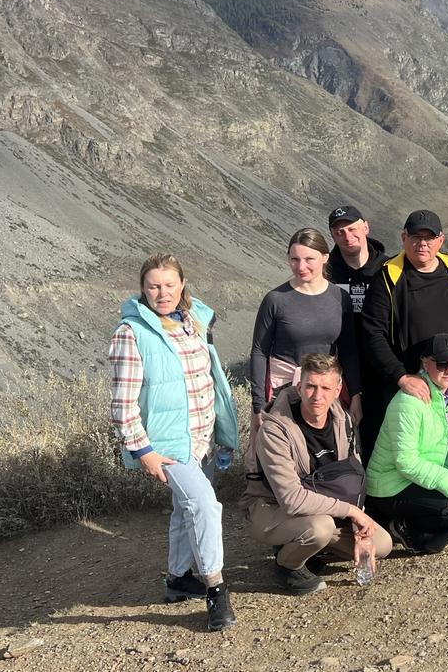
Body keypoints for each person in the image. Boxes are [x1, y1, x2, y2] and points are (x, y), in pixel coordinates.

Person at [108, 253, 239, 631]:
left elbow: (210, 380)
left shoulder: (192, 322)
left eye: (168, 285)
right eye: (153, 286)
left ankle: (180, 578)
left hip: (201, 437)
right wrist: (144, 451)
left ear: (182, 285)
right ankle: (215, 590)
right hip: (166, 446)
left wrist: (223, 434)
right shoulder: (131, 334)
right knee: (204, 506)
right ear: (142, 288)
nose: (161, 293)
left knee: (185, 509)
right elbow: (122, 403)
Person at [246, 354, 393, 595]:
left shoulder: (342, 418)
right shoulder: (275, 430)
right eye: (311, 386)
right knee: (320, 528)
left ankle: (311, 549)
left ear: (338, 390)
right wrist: (351, 511)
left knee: (381, 544)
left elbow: (353, 479)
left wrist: (359, 527)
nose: (317, 396)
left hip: (322, 502)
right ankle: (287, 564)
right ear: (299, 386)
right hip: (271, 507)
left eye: (325, 388)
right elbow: (291, 499)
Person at [360, 209, 448, 462]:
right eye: (416, 237)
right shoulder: (387, 277)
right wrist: (401, 377)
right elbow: (372, 333)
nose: (422, 244)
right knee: (407, 454)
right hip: (407, 386)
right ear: (403, 238)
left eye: (429, 238)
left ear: (441, 240)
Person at [365, 334, 448, 554]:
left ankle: (435, 523)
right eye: (442, 363)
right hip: (392, 484)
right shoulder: (409, 402)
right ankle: (402, 528)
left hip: (425, 474)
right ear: (425, 362)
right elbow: (406, 461)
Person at [249, 228, 361, 422]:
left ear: (325, 257)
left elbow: (348, 348)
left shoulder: (340, 298)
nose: (301, 266)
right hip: (283, 393)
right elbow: (259, 352)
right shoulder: (275, 300)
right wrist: (258, 405)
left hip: (324, 393)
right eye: (294, 259)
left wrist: (356, 394)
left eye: (309, 259)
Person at [328, 204, 389, 339]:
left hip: (381, 352)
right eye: (339, 232)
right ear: (333, 237)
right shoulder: (324, 272)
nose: (348, 237)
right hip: (338, 355)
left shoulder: (388, 268)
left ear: (366, 227)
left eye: (352, 229)